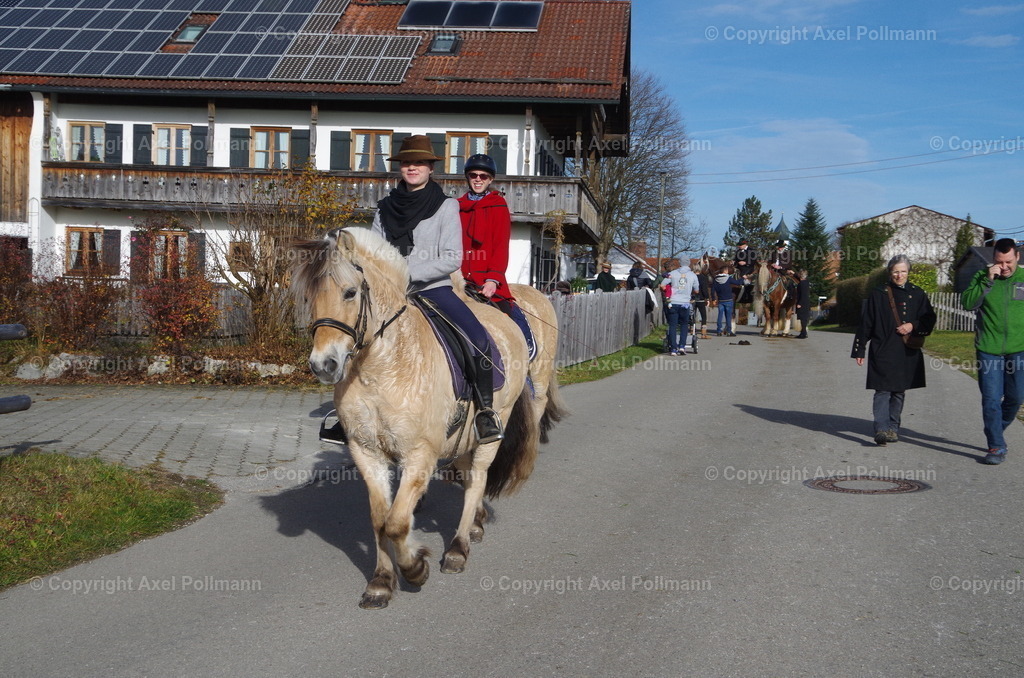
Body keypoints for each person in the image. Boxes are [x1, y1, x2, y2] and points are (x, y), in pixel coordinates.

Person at [370, 135, 503, 443]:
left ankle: (485, 411)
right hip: (389, 292)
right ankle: (350, 410)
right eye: (406, 163)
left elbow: (452, 257)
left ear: (430, 168)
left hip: (432, 290)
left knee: (478, 336)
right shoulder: (384, 208)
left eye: (418, 163)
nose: (411, 167)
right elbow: (374, 252)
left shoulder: (445, 207)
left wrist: (405, 274)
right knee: (354, 331)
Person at [851, 254, 936, 446]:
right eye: (896, 271)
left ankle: (893, 428)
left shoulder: (917, 293)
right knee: (882, 389)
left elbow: (929, 318)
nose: (899, 275)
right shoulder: (878, 293)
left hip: (906, 350)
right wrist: (860, 349)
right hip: (882, 347)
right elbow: (867, 322)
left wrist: (912, 325)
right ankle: (881, 428)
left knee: (898, 391)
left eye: (903, 271)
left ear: (908, 272)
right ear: (890, 272)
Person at [457, 153, 533, 355]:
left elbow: (500, 246)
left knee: (508, 317)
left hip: (486, 280)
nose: (478, 179)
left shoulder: (498, 206)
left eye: (483, 176)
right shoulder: (456, 207)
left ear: (490, 179)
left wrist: (493, 279)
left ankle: (525, 356)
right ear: (468, 177)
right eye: (474, 175)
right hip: (458, 278)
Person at [961, 238, 1024, 465]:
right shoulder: (982, 277)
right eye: (999, 262)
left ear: (1017, 257)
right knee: (991, 400)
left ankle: (997, 428)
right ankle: (996, 446)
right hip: (989, 349)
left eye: (1008, 262)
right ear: (993, 259)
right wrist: (988, 281)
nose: (1004, 267)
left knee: (1016, 397)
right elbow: (968, 303)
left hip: (1019, 350)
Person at [660, 262, 699, 356]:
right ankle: (682, 346)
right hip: (685, 303)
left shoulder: (672, 273)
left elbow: (662, 285)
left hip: (673, 303)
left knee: (673, 325)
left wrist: (668, 291)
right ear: (689, 264)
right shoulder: (693, 275)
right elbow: (697, 290)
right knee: (684, 325)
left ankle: (673, 348)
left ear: (680, 263)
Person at [710, 264, 745, 336]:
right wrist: (743, 278)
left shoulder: (715, 279)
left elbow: (712, 290)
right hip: (728, 299)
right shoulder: (728, 278)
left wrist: (713, 299)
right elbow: (738, 283)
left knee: (720, 316)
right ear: (725, 271)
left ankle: (719, 331)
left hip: (720, 300)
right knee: (728, 316)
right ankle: (729, 331)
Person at [732, 238, 757, 304]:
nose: (739, 246)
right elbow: (736, 260)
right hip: (739, 269)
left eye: (740, 245)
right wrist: (735, 262)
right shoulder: (738, 251)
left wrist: (745, 262)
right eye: (739, 245)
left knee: (747, 282)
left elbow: (753, 261)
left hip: (748, 269)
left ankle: (748, 295)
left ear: (745, 244)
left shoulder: (752, 251)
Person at [795, 269, 811, 339]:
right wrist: (793, 273)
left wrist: (799, 303)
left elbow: (803, 294)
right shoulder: (806, 282)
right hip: (806, 303)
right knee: (803, 319)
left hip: (802, 303)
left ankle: (804, 333)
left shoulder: (802, 284)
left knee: (803, 319)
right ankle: (803, 332)